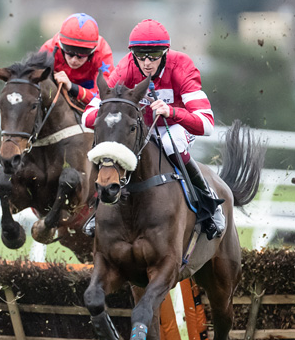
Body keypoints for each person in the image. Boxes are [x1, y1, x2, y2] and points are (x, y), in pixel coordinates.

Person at [82, 18, 223, 239]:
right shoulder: (126, 66)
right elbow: (87, 117)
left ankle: (209, 201)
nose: (147, 62)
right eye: (141, 55)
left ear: (165, 52)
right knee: (110, 145)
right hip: (139, 130)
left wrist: (172, 112)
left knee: (169, 143)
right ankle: (98, 205)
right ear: (132, 54)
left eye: (154, 55)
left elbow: (206, 124)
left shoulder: (182, 66)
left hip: (174, 127)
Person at [39, 12, 113, 106]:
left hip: (89, 87)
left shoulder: (103, 53)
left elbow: (103, 96)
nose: (74, 60)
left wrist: (72, 87)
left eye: (81, 56)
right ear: (61, 48)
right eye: (69, 54)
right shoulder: (49, 49)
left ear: (92, 53)